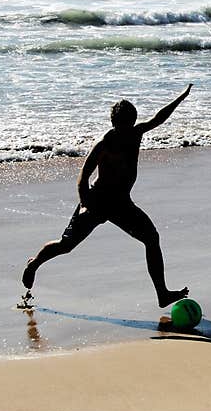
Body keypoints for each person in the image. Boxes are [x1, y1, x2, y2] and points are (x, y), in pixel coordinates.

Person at [22, 85, 194, 308]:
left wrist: (181, 97)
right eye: (122, 126)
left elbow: (158, 118)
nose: (126, 130)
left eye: (129, 125)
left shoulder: (135, 133)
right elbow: (83, 178)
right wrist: (85, 203)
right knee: (66, 245)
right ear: (114, 124)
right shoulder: (104, 144)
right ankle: (34, 263)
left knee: (152, 239)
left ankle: (162, 294)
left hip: (122, 204)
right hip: (97, 203)